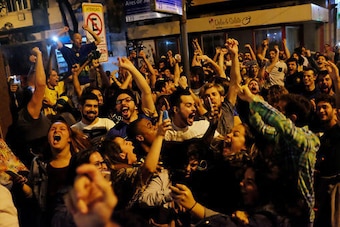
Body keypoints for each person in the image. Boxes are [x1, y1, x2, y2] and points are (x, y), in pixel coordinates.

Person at [238, 85, 320, 226]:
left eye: (280, 111)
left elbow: (284, 126)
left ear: (292, 118)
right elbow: (261, 127)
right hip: (282, 209)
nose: (275, 113)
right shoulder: (281, 136)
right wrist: (251, 105)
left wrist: (254, 100)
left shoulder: (308, 139)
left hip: (300, 214)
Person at [29, 118, 91, 226]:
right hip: (48, 220)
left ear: (69, 139)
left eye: (62, 129)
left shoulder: (80, 161)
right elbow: (32, 194)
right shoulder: (39, 164)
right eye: (53, 129)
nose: (57, 131)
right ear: (48, 138)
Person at [8, 47, 51, 168]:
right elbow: (40, 85)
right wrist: (39, 54)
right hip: (42, 157)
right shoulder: (30, 113)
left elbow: (31, 82)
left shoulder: (21, 113)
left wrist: (34, 64)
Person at [199, 38, 242, 136]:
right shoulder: (202, 120)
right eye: (207, 96)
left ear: (222, 98)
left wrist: (234, 55)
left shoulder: (227, 108)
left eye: (214, 94)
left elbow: (235, 83)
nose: (211, 98)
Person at [107, 57, 157, 139]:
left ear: (136, 104)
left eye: (127, 100)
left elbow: (146, 91)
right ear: (116, 108)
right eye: (119, 102)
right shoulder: (115, 132)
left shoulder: (145, 117)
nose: (123, 103)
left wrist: (131, 68)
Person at [314, 94, 340, 227]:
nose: (321, 111)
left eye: (325, 107)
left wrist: (336, 80)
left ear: (335, 110)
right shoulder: (323, 138)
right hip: (325, 190)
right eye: (318, 108)